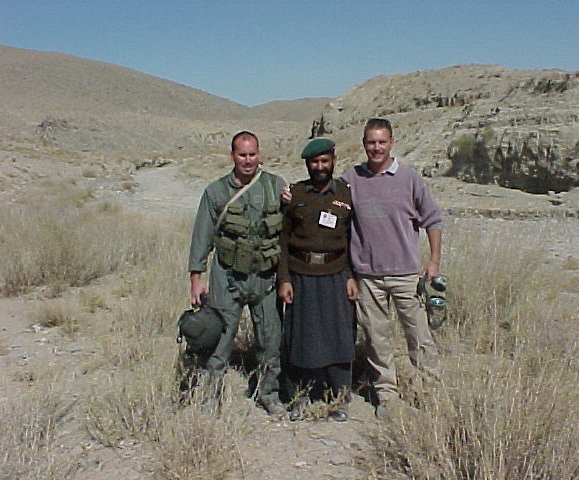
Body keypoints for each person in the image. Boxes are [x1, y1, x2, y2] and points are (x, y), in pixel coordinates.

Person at [340, 118, 443, 415]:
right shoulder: (351, 178)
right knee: (376, 337)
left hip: (407, 274)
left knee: (419, 335)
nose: (376, 147)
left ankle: (429, 391)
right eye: (371, 142)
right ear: (364, 144)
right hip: (367, 275)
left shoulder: (410, 178)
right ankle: (386, 394)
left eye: (381, 142)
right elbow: (333, 210)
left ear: (391, 143)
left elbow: (432, 220)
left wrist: (433, 260)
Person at [188, 131, 287, 416]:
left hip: (265, 278)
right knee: (220, 338)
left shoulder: (275, 186)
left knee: (270, 339)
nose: (248, 160)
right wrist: (196, 277)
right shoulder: (216, 192)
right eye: (242, 155)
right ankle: (210, 396)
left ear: (259, 154)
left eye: (252, 154)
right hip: (227, 277)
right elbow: (202, 235)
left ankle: (268, 393)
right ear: (232, 156)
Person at [277, 138, 357, 422]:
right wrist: (284, 279)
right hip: (301, 276)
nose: (320, 167)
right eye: (314, 162)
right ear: (307, 164)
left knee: (338, 336)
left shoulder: (347, 194)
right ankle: (298, 396)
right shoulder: (295, 194)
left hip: (336, 275)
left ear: (334, 161)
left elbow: (353, 239)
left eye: (325, 161)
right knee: (301, 338)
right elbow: (283, 240)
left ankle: (338, 398)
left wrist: (350, 276)